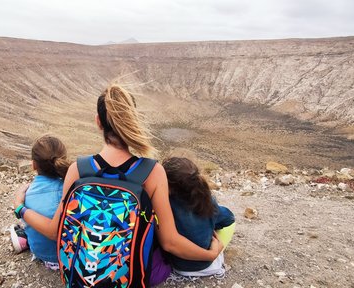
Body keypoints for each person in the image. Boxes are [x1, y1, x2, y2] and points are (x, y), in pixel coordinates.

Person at [13, 84, 223, 286]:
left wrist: (20, 207)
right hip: (129, 278)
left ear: (98, 122)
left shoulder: (77, 169)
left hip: (81, 276)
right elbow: (170, 242)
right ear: (131, 122)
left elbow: (55, 230)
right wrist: (211, 253)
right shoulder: (151, 172)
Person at [162, 157, 236, 277]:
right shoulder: (207, 201)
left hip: (178, 266)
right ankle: (218, 247)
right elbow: (229, 219)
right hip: (208, 265)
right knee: (220, 223)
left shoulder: (166, 204)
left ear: (168, 185)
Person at [10, 135, 70, 270]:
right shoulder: (71, 189)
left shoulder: (27, 194)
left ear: (33, 165)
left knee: (27, 224)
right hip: (71, 258)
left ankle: (23, 238)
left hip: (44, 257)